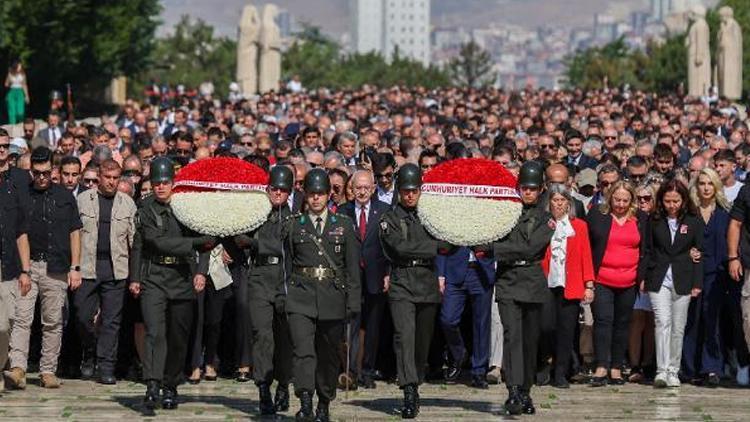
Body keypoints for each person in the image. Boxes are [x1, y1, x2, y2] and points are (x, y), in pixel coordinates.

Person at [131, 157, 213, 410]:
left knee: (179, 336)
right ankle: (153, 383)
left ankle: (171, 386)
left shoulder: (186, 207)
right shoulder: (145, 209)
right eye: (156, 182)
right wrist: (135, 277)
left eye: (165, 182)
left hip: (182, 277)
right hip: (154, 275)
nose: (160, 187)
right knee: (155, 332)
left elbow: (207, 240)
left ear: (173, 183)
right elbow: (148, 244)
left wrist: (201, 270)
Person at [282, 168, 361, 422]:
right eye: (312, 193)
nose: (316, 198)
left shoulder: (344, 225)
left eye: (321, 193)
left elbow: (352, 268)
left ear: (329, 195)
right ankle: (305, 400)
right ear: (305, 195)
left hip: (332, 297)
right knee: (303, 350)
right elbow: (287, 264)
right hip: (301, 295)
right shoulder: (295, 224)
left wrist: (353, 301)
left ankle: (324, 401)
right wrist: (284, 296)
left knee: (328, 354)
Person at [4, 147, 82, 390]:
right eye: (37, 173)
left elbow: (75, 232)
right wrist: (23, 269)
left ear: (53, 170)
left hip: (56, 266)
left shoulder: (65, 196)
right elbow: (18, 232)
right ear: (31, 172)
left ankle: (48, 370)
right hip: (27, 266)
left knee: (52, 321)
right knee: (21, 318)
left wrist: (75, 266)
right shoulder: (22, 196)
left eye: (46, 173)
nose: (41, 177)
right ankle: (18, 368)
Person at [486, 160, 554, 415]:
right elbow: (491, 236)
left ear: (541, 189)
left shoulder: (546, 219)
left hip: (532, 280)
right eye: (524, 187)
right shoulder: (506, 214)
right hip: (508, 280)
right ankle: (513, 390)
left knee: (530, 340)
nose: (528, 192)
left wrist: (496, 251)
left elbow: (530, 248)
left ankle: (526, 390)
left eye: (533, 188)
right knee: (511, 336)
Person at [379, 163, 442, 419]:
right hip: (402, 281)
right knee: (404, 337)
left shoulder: (431, 216)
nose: (410, 195)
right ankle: (409, 389)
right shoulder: (389, 218)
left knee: (421, 341)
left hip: (426, 281)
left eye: (414, 190)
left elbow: (449, 243)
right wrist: (431, 246)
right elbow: (398, 249)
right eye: (405, 190)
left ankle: (415, 376)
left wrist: (429, 247)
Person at [235, 165, 294, 415]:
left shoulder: (294, 218)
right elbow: (237, 235)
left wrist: (256, 243)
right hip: (259, 277)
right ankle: (263, 387)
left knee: (285, 336)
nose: (277, 193)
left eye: (282, 189)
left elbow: (285, 247)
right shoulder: (256, 215)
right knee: (262, 335)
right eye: (274, 188)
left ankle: (283, 383)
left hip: (285, 278)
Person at [74, 159, 137, 384]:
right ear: (99, 177)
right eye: (107, 177)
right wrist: (74, 268)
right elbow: (74, 236)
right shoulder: (83, 200)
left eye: (115, 178)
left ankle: (106, 366)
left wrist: (135, 274)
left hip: (116, 269)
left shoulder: (127, 204)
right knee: (82, 316)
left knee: (112, 321)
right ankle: (89, 352)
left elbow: (133, 241)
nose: (111, 182)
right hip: (87, 266)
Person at [587, 180, 649, 386]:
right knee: (603, 321)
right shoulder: (597, 214)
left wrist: (641, 277)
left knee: (622, 324)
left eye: (625, 200)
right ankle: (601, 365)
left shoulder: (641, 218)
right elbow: (587, 246)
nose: (620, 204)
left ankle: (616, 366)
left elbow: (646, 251)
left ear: (631, 201)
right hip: (602, 278)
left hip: (629, 280)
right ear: (610, 196)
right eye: (617, 199)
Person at [645, 179, 703, 388]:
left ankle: (673, 370)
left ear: (684, 200)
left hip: (684, 277)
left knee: (678, 327)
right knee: (662, 323)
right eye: (667, 201)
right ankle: (661, 371)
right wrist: (643, 277)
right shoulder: (653, 219)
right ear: (661, 200)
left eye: (676, 201)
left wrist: (697, 282)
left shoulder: (693, 220)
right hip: (658, 277)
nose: (672, 205)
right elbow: (647, 250)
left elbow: (699, 252)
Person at [339, 170, 391, 389]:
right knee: (351, 324)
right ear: (352, 189)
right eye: (358, 188)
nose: (362, 192)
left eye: (366, 188)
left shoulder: (384, 211)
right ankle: (350, 372)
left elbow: (390, 245)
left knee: (372, 326)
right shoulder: (343, 211)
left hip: (376, 276)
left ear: (373, 188)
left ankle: (367, 371)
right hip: (351, 278)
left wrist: (388, 272)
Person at [540, 183, 595, 389]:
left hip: (570, 284)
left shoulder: (579, 226)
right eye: (555, 200)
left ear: (568, 203)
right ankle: (545, 364)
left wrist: (589, 285)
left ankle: (561, 372)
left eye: (562, 200)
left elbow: (586, 256)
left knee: (566, 330)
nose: (559, 204)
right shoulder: (543, 224)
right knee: (546, 327)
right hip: (546, 283)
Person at [682, 168, 730, 387]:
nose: (706, 187)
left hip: (717, 273)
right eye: (702, 183)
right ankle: (690, 368)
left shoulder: (725, 213)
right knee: (692, 320)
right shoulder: (689, 213)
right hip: (692, 272)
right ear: (696, 186)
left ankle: (712, 368)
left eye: (710, 183)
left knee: (713, 321)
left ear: (716, 186)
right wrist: (688, 251)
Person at [437, 242, 495, 389]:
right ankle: (459, 354)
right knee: (448, 319)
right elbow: (441, 240)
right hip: (454, 269)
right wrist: (440, 273)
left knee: (482, 324)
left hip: (482, 270)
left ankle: (479, 372)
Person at [0, 161, 31, 393]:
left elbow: (21, 232)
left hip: (8, 267)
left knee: (5, 325)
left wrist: (25, 270)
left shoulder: (11, 193)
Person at [627, 184, 657, 383]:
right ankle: (635, 364)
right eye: (639, 198)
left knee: (653, 320)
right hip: (634, 273)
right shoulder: (633, 219)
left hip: (654, 273)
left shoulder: (658, 219)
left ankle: (648, 363)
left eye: (648, 198)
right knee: (637, 319)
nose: (643, 202)